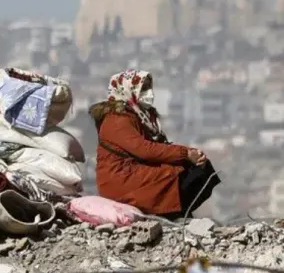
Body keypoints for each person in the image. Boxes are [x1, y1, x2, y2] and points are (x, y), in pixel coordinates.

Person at [89, 69, 221, 219]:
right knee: (182, 174)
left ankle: (177, 211)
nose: (149, 93)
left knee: (200, 168)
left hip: (133, 170)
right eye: (143, 88)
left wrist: (188, 152)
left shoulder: (139, 115)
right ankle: (173, 212)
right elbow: (144, 150)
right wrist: (185, 154)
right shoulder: (117, 119)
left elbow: (157, 145)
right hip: (121, 178)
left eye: (148, 88)